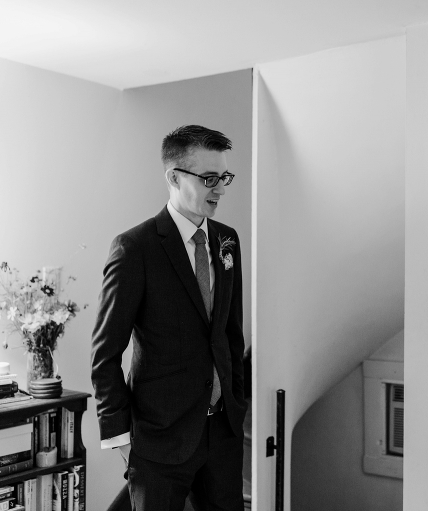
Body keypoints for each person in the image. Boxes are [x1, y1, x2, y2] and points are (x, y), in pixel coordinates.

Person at [90, 125, 247, 511]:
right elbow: (105, 354)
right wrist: (120, 437)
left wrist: (236, 405)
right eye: (209, 178)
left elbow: (230, 333)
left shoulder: (228, 240)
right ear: (174, 177)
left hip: (222, 435)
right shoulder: (134, 249)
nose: (220, 189)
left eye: (223, 176)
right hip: (158, 439)